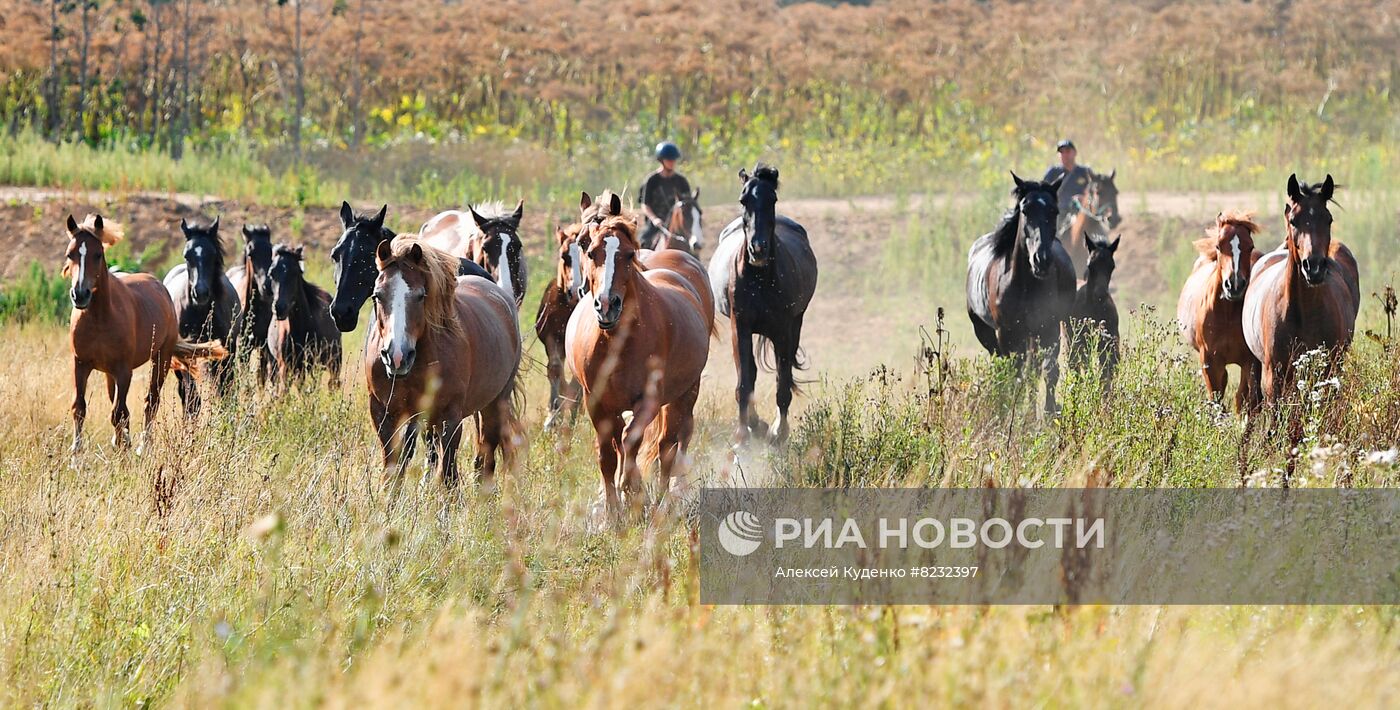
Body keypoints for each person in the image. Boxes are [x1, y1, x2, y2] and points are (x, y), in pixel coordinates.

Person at [639, 141, 692, 249]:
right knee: (643, 242)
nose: (672, 162)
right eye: (669, 160)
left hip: (678, 223)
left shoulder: (681, 181)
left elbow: (688, 203)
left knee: (693, 244)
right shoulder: (652, 180)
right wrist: (654, 219)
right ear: (661, 160)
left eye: (674, 160)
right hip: (657, 224)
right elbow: (645, 205)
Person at [1043, 139, 1094, 215]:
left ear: (1075, 153)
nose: (1064, 155)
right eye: (1061, 152)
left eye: (1067, 151)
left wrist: (1084, 198)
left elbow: (1095, 193)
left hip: (1081, 213)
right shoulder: (1053, 172)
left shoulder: (1085, 172)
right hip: (1058, 213)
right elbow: (1043, 193)